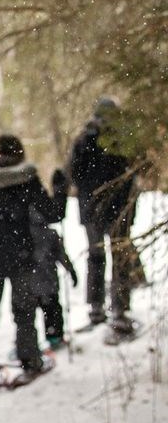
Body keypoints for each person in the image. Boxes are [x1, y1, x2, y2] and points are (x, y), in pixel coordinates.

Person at [0, 135, 67, 388]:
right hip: (21, 257)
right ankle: (30, 359)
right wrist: (61, 189)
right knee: (24, 312)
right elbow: (53, 213)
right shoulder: (26, 180)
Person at [69, 97, 143, 333]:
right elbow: (138, 169)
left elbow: (73, 173)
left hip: (95, 209)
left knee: (97, 256)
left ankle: (98, 307)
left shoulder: (85, 139)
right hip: (117, 207)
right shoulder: (122, 139)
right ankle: (117, 308)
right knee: (116, 255)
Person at [29, 206, 78, 349]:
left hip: (29, 284)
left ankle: (27, 345)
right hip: (49, 281)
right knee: (52, 311)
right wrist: (71, 271)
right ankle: (54, 337)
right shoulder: (50, 234)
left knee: (27, 315)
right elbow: (62, 256)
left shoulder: (22, 235)